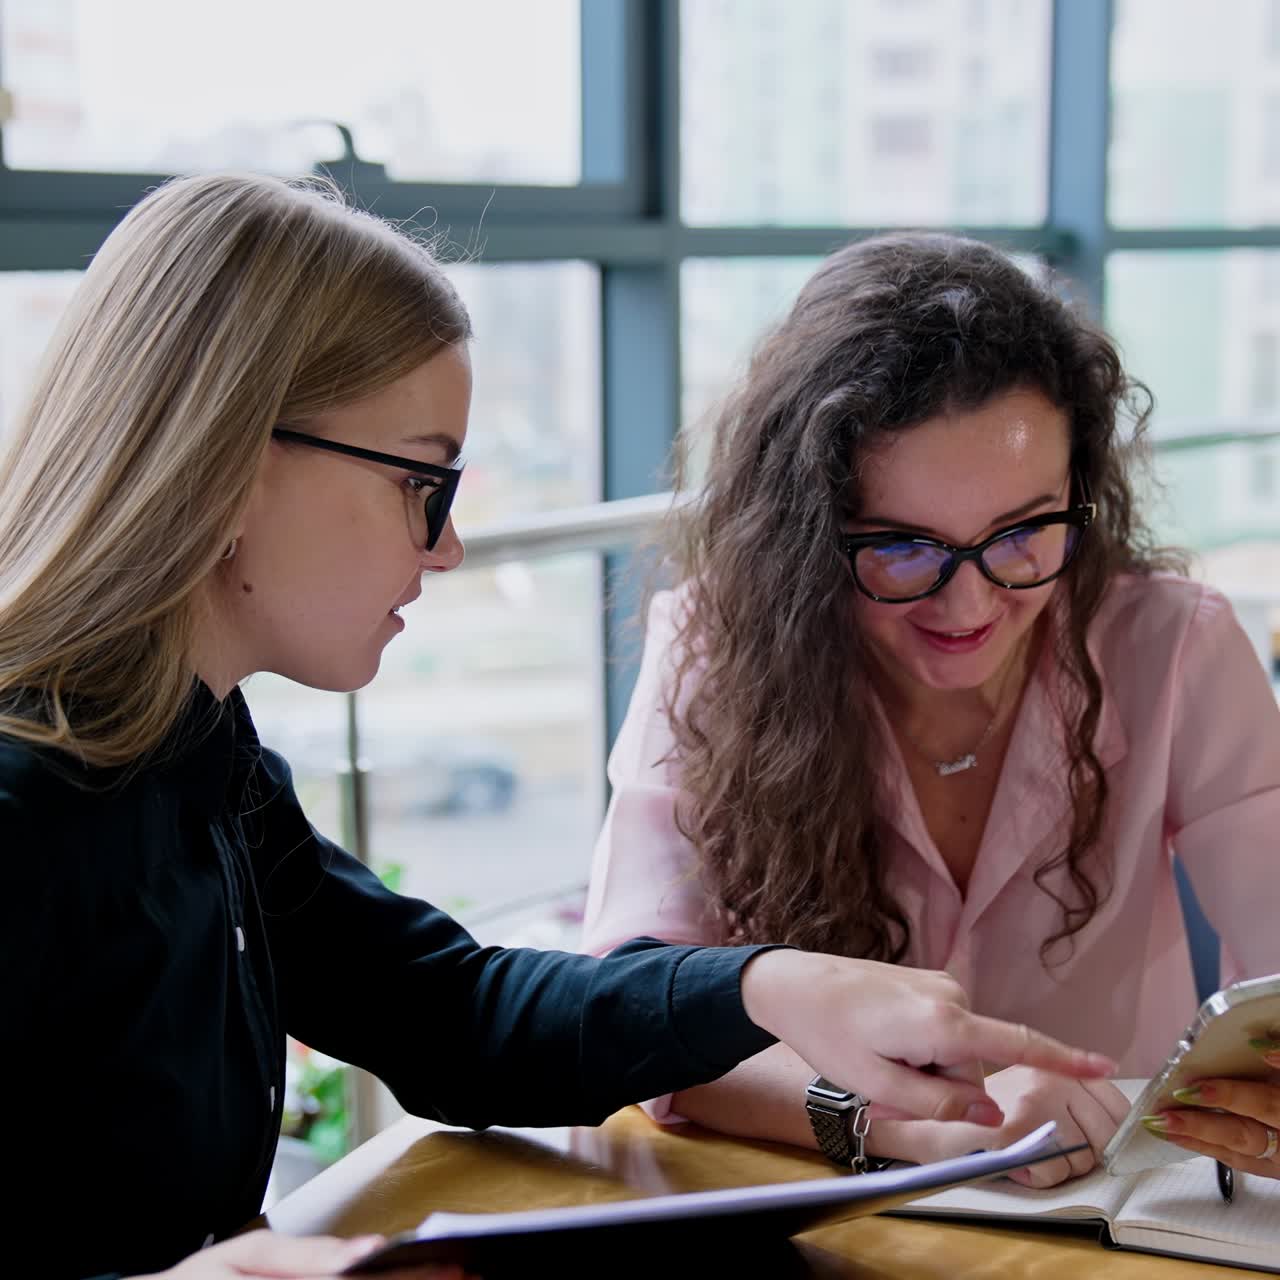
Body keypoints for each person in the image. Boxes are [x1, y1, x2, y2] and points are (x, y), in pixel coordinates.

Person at [0, 178, 1116, 1280]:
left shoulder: (198, 764)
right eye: (420, 483)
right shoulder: (26, 812)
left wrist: (761, 985)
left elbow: (452, 1011)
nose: (442, 548)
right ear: (236, 458)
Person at [582, 231, 1280, 1187]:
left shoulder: (1176, 644)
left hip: (1120, 1208)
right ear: (811, 531)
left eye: (1023, 533)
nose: (970, 605)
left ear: (1080, 492)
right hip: (821, 1212)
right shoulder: (713, 645)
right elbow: (637, 1006)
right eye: (904, 547)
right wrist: (904, 1126)